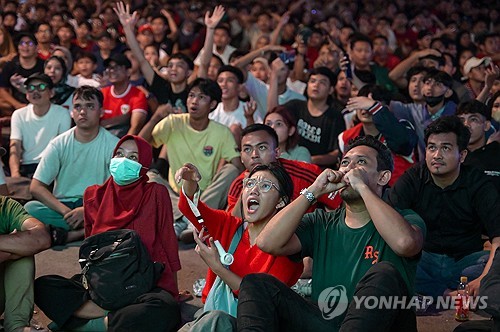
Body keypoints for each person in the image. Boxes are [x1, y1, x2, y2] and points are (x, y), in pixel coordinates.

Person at [236, 135, 425, 331]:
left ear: (382, 177)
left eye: (361, 162)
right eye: (345, 162)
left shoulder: (406, 219)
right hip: (328, 323)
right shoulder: (321, 222)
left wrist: (361, 186)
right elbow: (267, 242)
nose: (349, 168)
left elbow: (405, 243)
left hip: (385, 326)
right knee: (256, 284)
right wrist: (314, 190)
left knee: (384, 274)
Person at [34, 135, 181, 332]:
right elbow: (89, 251)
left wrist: (173, 290)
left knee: (166, 309)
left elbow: (168, 243)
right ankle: (111, 320)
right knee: (43, 287)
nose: (123, 161)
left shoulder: (155, 193)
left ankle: (88, 324)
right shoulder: (93, 196)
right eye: (119, 154)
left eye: (133, 157)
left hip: (142, 285)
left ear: (144, 165)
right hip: (103, 286)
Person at [176, 162, 303, 330]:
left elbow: (259, 298)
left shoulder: (286, 249)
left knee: (217, 320)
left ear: (281, 202)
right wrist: (190, 182)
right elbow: (191, 208)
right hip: (208, 318)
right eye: (250, 183)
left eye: (265, 186)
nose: (254, 190)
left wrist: (218, 268)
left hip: (254, 325)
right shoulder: (228, 225)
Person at [387, 115, 500, 298]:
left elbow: (498, 238)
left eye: (445, 148)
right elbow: (389, 220)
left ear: (462, 155)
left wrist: (483, 279)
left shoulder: (477, 182)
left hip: (465, 262)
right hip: (424, 260)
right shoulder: (414, 177)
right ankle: (446, 293)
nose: (437, 155)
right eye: (432, 148)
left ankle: (440, 290)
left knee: (491, 263)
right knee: (392, 259)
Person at [140, 78, 242, 237]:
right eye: (191, 95)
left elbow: (238, 167)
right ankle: (190, 219)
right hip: (176, 195)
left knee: (232, 170)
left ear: (213, 104)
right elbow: (139, 144)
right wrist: (156, 117)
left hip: (205, 194)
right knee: (149, 176)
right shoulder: (173, 122)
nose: (194, 101)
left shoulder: (222, 132)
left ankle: (184, 219)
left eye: (201, 97)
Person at [25, 86, 119, 244]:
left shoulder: (114, 145)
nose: (83, 111)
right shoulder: (59, 144)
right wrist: (67, 213)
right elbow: (36, 186)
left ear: (101, 112)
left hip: (98, 205)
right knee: (30, 209)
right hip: (63, 207)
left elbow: (117, 190)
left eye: (90, 106)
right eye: (78, 106)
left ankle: (74, 233)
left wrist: (86, 211)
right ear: (72, 112)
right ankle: (88, 230)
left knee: (124, 211)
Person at [339, 85, 417, 186]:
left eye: (369, 104)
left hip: (398, 194)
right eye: (362, 103)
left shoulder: (402, 128)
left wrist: (375, 108)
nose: (365, 109)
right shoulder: (346, 136)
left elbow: (402, 143)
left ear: (386, 108)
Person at [0, 196, 51, 332]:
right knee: (19, 247)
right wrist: (10, 247)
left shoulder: (5, 206)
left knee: (24, 252)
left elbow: (41, 238)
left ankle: (17, 326)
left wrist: (8, 252)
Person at [9, 73, 71, 178]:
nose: (35, 91)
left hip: (51, 167)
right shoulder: (18, 114)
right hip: (26, 167)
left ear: (51, 93)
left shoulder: (62, 113)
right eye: (31, 88)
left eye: (41, 87)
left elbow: (63, 149)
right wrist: (15, 174)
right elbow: (15, 146)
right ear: (27, 94)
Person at [283, 67, 345, 168]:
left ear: (331, 90)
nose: (316, 85)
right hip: (288, 163)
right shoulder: (294, 106)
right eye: (312, 81)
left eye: (322, 82)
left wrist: (308, 159)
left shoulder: (335, 117)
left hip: (316, 171)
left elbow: (336, 153)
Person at [100, 53, 148, 137]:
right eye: (109, 68)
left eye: (117, 67)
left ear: (128, 72)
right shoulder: (102, 93)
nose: (112, 71)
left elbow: (135, 127)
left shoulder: (138, 94)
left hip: (123, 142)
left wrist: (121, 147)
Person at [457, 100, 500, 191]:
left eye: (473, 119)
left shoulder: (496, 154)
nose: (466, 125)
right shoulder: (453, 157)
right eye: (461, 121)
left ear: (486, 125)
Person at [0, 33, 44, 112]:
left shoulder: (43, 65)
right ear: (18, 47)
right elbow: (2, 90)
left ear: (36, 47)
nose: (25, 47)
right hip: (16, 105)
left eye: (30, 43)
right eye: (22, 43)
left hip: (40, 102)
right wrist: (17, 105)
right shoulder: (10, 66)